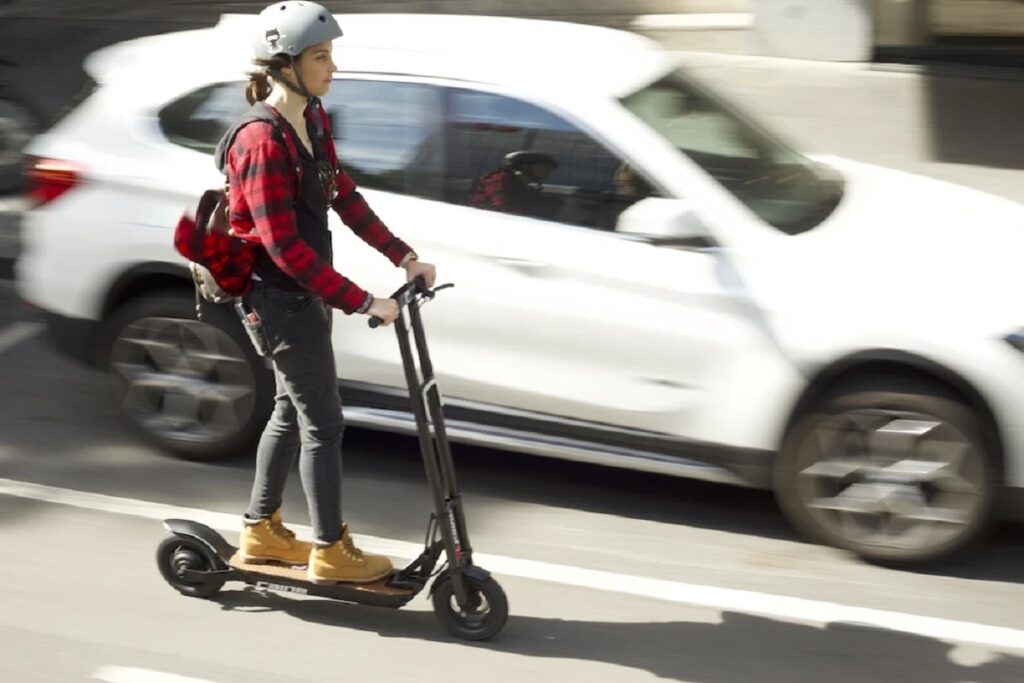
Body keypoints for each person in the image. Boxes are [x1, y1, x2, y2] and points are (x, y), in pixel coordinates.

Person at [215, 1, 436, 584]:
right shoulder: (261, 141)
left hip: (302, 294)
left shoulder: (310, 121)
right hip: (274, 299)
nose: (332, 67)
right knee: (325, 424)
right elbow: (283, 248)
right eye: (321, 56)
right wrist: (364, 301)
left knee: (293, 408)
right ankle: (331, 551)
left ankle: (261, 530)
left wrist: (404, 255)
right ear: (284, 65)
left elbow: (345, 196)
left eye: (331, 54)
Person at [470, 150, 560, 219]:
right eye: (544, 166)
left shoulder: (525, 184)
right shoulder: (501, 179)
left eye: (550, 168)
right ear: (525, 166)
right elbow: (505, 207)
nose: (548, 171)